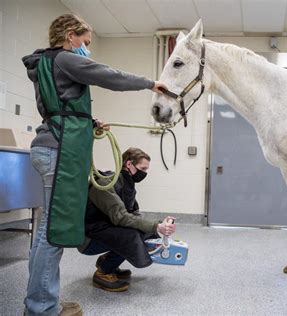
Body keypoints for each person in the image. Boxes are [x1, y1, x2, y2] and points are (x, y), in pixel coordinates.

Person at [22, 14, 167, 316]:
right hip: (59, 153)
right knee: (55, 233)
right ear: (70, 35)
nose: (87, 49)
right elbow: (108, 75)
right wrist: (150, 84)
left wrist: (88, 123)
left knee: (48, 231)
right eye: (85, 42)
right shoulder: (64, 58)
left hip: (51, 148)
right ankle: (42, 308)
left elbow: (59, 109)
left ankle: (41, 302)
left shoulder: (46, 64)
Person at [79, 147, 176, 292]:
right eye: (143, 168)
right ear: (129, 164)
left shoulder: (127, 184)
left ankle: (108, 261)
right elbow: (121, 217)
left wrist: (160, 223)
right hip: (89, 238)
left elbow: (134, 214)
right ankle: (103, 273)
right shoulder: (106, 183)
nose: (144, 173)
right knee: (132, 236)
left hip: (105, 231)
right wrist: (156, 226)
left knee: (145, 232)